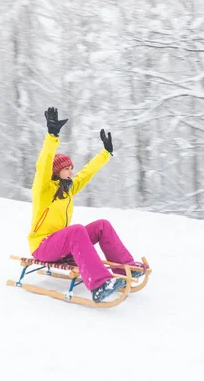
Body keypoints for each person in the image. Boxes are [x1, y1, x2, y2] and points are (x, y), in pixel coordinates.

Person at [27, 106, 139, 303]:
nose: (71, 171)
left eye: (71, 168)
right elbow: (43, 164)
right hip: (42, 245)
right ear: (57, 171)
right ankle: (98, 284)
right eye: (67, 168)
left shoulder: (67, 189)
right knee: (76, 230)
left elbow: (87, 172)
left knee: (102, 225)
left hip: (60, 246)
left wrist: (105, 153)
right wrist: (52, 135)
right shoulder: (43, 189)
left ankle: (126, 267)